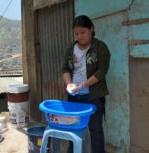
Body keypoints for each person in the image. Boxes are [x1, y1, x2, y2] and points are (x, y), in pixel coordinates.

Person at [62, 15, 111, 153]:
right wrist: (69, 84)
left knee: (95, 130)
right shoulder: (71, 49)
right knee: (73, 128)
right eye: (76, 33)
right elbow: (65, 68)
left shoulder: (100, 47)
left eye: (83, 32)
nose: (79, 36)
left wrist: (83, 85)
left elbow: (101, 72)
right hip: (74, 97)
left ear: (92, 29)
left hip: (94, 96)